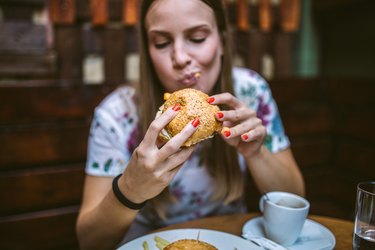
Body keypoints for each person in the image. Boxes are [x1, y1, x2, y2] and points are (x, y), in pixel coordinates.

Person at [76, 0, 305, 249]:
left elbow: (295, 198)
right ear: (148, 51)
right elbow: (90, 242)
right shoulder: (117, 115)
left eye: (197, 38)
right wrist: (131, 189)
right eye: (161, 43)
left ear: (222, 41)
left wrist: (256, 154)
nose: (180, 58)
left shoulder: (250, 91)